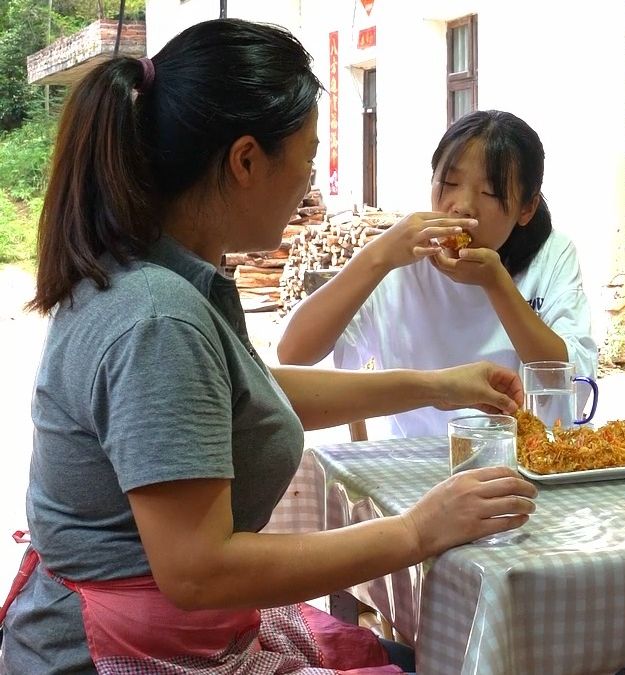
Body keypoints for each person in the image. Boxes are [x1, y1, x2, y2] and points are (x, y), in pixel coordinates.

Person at [0, 19, 538, 674]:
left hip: (174, 631)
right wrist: (418, 530)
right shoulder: (157, 318)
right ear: (246, 160)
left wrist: (440, 383)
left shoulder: (163, 278)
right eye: (307, 159)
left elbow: (245, 395)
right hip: (120, 656)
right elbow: (201, 571)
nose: (309, 185)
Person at [276, 110, 598, 439]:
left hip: (526, 460)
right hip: (415, 464)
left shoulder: (552, 255)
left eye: (489, 192)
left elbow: (567, 382)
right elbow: (293, 354)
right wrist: (376, 257)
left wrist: (496, 283)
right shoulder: (403, 257)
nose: (462, 206)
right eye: (450, 183)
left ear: (526, 209)